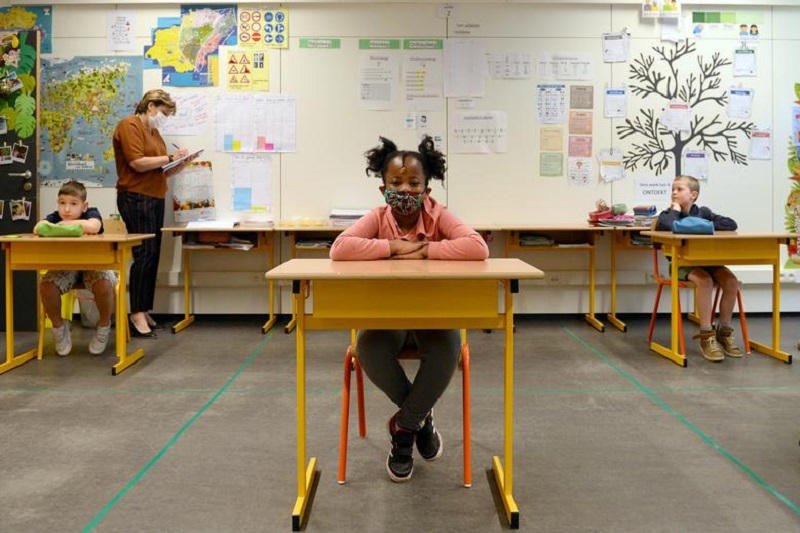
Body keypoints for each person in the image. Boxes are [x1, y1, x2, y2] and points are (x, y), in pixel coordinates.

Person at [329, 135, 489, 482]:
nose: (405, 189)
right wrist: (395, 247)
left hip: (433, 312)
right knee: (369, 349)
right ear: (383, 188)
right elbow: (340, 249)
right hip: (388, 314)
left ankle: (403, 431)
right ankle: (419, 418)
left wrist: (426, 250)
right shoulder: (378, 215)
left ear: (427, 189)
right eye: (396, 182)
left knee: (447, 348)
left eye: (414, 183)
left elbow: (477, 247)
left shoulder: (438, 215)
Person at [113, 89, 196, 338]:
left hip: (154, 196)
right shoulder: (129, 126)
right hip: (136, 197)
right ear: (150, 105)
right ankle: (135, 313)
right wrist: (169, 156)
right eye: (164, 112)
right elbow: (137, 163)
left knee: (153, 255)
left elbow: (159, 170)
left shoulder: (154, 132)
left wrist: (179, 164)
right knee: (143, 254)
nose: (164, 118)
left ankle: (144, 309)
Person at [656, 174, 742, 362]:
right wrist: (676, 212)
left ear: (693, 195)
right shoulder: (667, 215)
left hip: (708, 261)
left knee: (731, 281)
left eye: (679, 189)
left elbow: (730, 224)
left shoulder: (703, 212)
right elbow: (667, 225)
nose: (674, 193)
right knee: (705, 281)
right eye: (673, 189)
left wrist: (695, 225)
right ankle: (706, 335)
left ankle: (724, 332)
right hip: (680, 264)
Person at [35, 180, 117, 356]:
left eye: (73, 204)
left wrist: (63, 226)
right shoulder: (55, 217)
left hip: (94, 264)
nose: (66, 210)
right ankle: (59, 326)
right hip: (66, 266)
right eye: (62, 203)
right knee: (46, 287)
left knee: (103, 285)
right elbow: (38, 228)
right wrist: (55, 224)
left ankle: (103, 325)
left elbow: (93, 227)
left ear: (84, 206)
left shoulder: (91, 213)